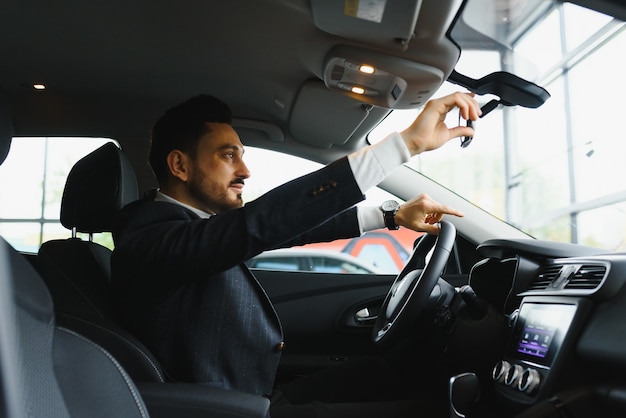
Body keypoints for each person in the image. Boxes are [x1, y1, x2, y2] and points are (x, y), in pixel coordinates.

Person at [111, 91, 481, 416]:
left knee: (382, 371)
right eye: (228, 156)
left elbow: (276, 230)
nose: (245, 171)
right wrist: (404, 146)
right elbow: (261, 224)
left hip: (254, 395)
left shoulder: (183, 230)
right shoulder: (147, 237)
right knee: (432, 411)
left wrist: (389, 216)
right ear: (179, 165)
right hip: (228, 409)